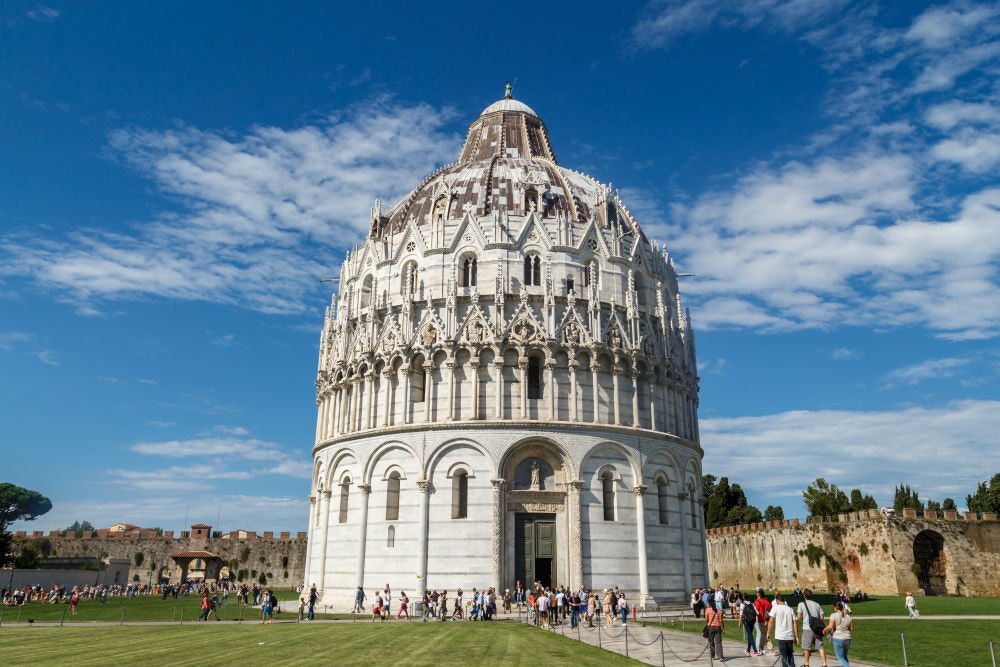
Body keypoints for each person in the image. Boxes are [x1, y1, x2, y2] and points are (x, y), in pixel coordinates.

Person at [797, 588, 828, 667]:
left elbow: (799, 616)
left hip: (807, 627)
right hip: (817, 628)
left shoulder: (801, 604)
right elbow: (822, 617)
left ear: (804, 595)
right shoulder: (817, 604)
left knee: (807, 647)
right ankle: (824, 663)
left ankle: (806, 664)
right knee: (820, 646)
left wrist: (804, 616)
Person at [768, 593, 798, 667]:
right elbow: (795, 623)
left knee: (784, 656)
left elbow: (771, 621)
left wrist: (768, 633)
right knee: (790, 655)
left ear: (777, 601)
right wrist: (796, 636)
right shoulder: (790, 609)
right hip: (789, 636)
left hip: (780, 636)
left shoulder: (775, 608)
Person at [824, 599, 854, 667]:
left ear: (835, 607)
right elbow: (852, 628)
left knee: (840, 657)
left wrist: (824, 630)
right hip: (848, 638)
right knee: (844, 656)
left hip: (838, 638)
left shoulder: (833, 615)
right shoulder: (848, 616)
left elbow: (830, 626)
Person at [754, 588, 773, 654]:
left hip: (760, 620)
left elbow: (756, 612)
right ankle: (761, 647)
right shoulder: (767, 602)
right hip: (767, 620)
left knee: (764, 634)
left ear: (758, 595)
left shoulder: (757, 602)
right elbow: (770, 611)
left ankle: (771, 649)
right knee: (763, 634)